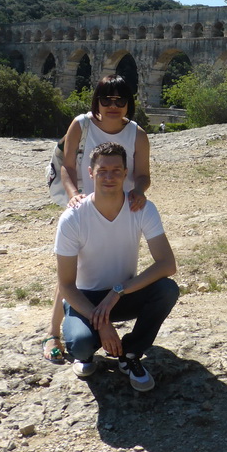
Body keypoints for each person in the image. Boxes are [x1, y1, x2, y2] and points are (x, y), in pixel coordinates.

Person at [43, 75, 151, 364]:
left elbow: (142, 174)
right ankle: (54, 332)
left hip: (121, 206)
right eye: (106, 99)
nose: (113, 106)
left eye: (120, 100)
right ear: (97, 101)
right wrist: (74, 195)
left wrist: (138, 191)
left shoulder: (137, 134)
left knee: (102, 264)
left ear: (129, 103)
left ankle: (101, 317)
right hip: (82, 203)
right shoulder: (81, 124)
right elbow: (67, 166)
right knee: (71, 267)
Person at [55, 141, 178, 388]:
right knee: (79, 344)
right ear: (91, 173)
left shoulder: (141, 208)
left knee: (167, 290)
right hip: (85, 299)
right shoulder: (73, 217)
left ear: (125, 173)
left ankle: (130, 354)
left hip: (122, 295)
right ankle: (88, 352)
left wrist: (118, 290)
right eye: (102, 171)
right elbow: (66, 285)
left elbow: (167, 264)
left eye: (116, 171)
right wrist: (103, 324)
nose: (109, 177)